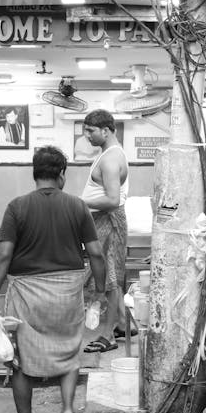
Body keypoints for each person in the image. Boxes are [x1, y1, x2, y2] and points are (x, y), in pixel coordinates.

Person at [0, 145, 106, 413]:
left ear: (34, 173)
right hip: (67, 292)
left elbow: (3, 256)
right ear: (61, 174)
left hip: (27, 294)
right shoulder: (77, 207)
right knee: (69, 352)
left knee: (20, 363)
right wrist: (100, 291)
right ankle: (66, 409)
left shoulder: (17, 207)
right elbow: (96, 253)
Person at [80, 109, 131, 354]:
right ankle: (122, 324)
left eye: (90, 131)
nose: (86, 136)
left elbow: (112, 199)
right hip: (104, 221)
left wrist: (81, 203)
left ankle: (108, 335)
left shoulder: (110, 159)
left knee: (110, 280)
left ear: (106, 130)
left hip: (109, 221)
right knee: (112, 277)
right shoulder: (109, 154)